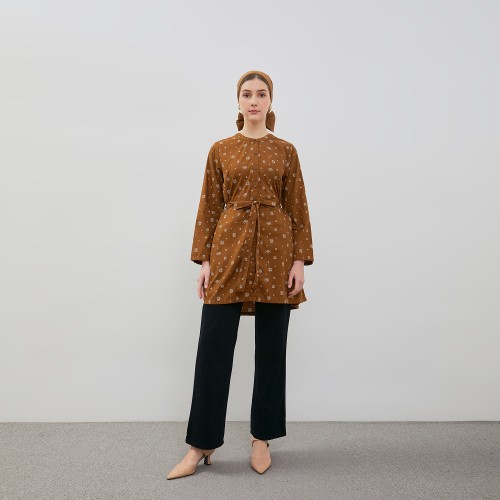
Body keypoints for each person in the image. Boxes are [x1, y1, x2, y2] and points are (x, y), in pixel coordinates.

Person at [167, 70, 314, 480]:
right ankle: (201, 444)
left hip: (275, 254)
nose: (254, 101)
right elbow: (209, 206)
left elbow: (297, 205)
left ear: (270, 101)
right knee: (213, 350)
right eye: (247, 94)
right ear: (238, 101)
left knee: (271, 351)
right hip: (228, 251)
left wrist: (299, 261)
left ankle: (262, 438)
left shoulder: (286, 151)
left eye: (261, 94)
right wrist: (205, 262)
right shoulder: (221, 149)